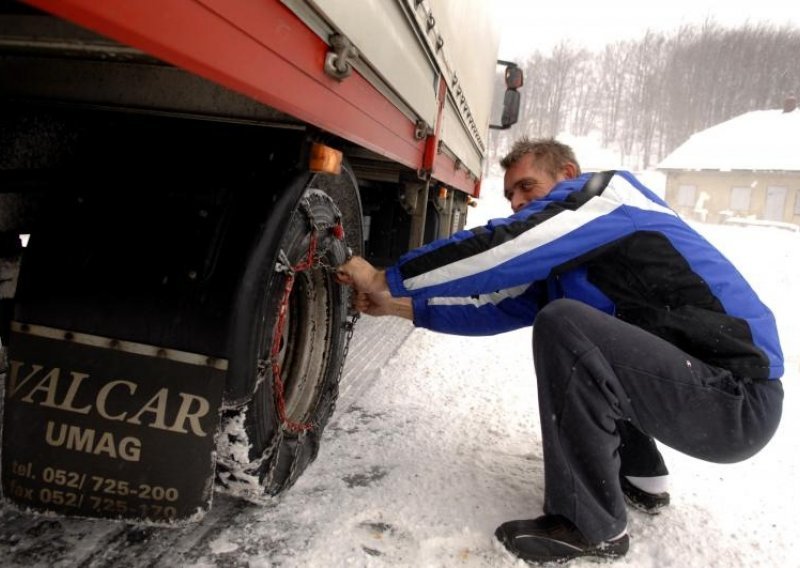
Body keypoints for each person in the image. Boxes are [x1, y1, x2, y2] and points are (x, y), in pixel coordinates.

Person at [335, 137, 783, 563]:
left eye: (527, 186)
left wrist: (386, 276)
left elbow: (505, 244)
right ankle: (642, 476)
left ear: (568, 174)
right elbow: (492, 307)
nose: (517, 203)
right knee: (586, 331)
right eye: (510, 196)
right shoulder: (574, 262)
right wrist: (397, 306)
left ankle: (589, 525)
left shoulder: (610, 198)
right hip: (707, 397)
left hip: (736, 401)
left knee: (565, 325)